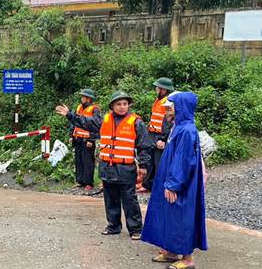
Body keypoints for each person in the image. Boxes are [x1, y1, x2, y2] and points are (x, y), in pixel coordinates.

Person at [57, 91, 151, 239]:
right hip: (108, 166)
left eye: (125, 104)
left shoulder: (136, 122)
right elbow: (85, 122)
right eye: (118, 104)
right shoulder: (103, 120)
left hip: (126, 168)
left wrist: (144, 165)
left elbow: (144, 146)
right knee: (110, 198)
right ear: (112, 106)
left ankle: (136, 229)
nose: (122, 107)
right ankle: (113, 226)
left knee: (129, 199)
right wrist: (69, 115)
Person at [141, 92, 208, 269]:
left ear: (180, 108)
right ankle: (171, 251)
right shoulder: (178, 127)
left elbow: (183, 160)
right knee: (169, 215)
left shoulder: (187, 131)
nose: (166, 111)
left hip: (180, 184)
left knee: (181, 217)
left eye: (170, 108)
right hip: (170, 179)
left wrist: (173, 184)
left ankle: (187, 258)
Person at [141, 77, 175, 192]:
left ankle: (160, 187)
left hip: (160, 136)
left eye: (158, 87)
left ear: (163, 89)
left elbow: (168, 122)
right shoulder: (158, 100)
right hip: (152, 134)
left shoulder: (168, 101)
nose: (156, 89)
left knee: (159, 162)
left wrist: (163, 139)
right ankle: (148, 185)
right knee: (150, 161)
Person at [70, 88, 101, 191]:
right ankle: (80, 181)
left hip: (87, 140)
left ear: (88, 99)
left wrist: (91, 140)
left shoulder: (94, 110)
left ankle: (88, 183)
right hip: (78, 139)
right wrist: (72, 135)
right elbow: (74, 121)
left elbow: (96, 126)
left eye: (83, 97)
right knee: (79, 161)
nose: (81, 98)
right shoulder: (79, 107)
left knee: (88, 162)